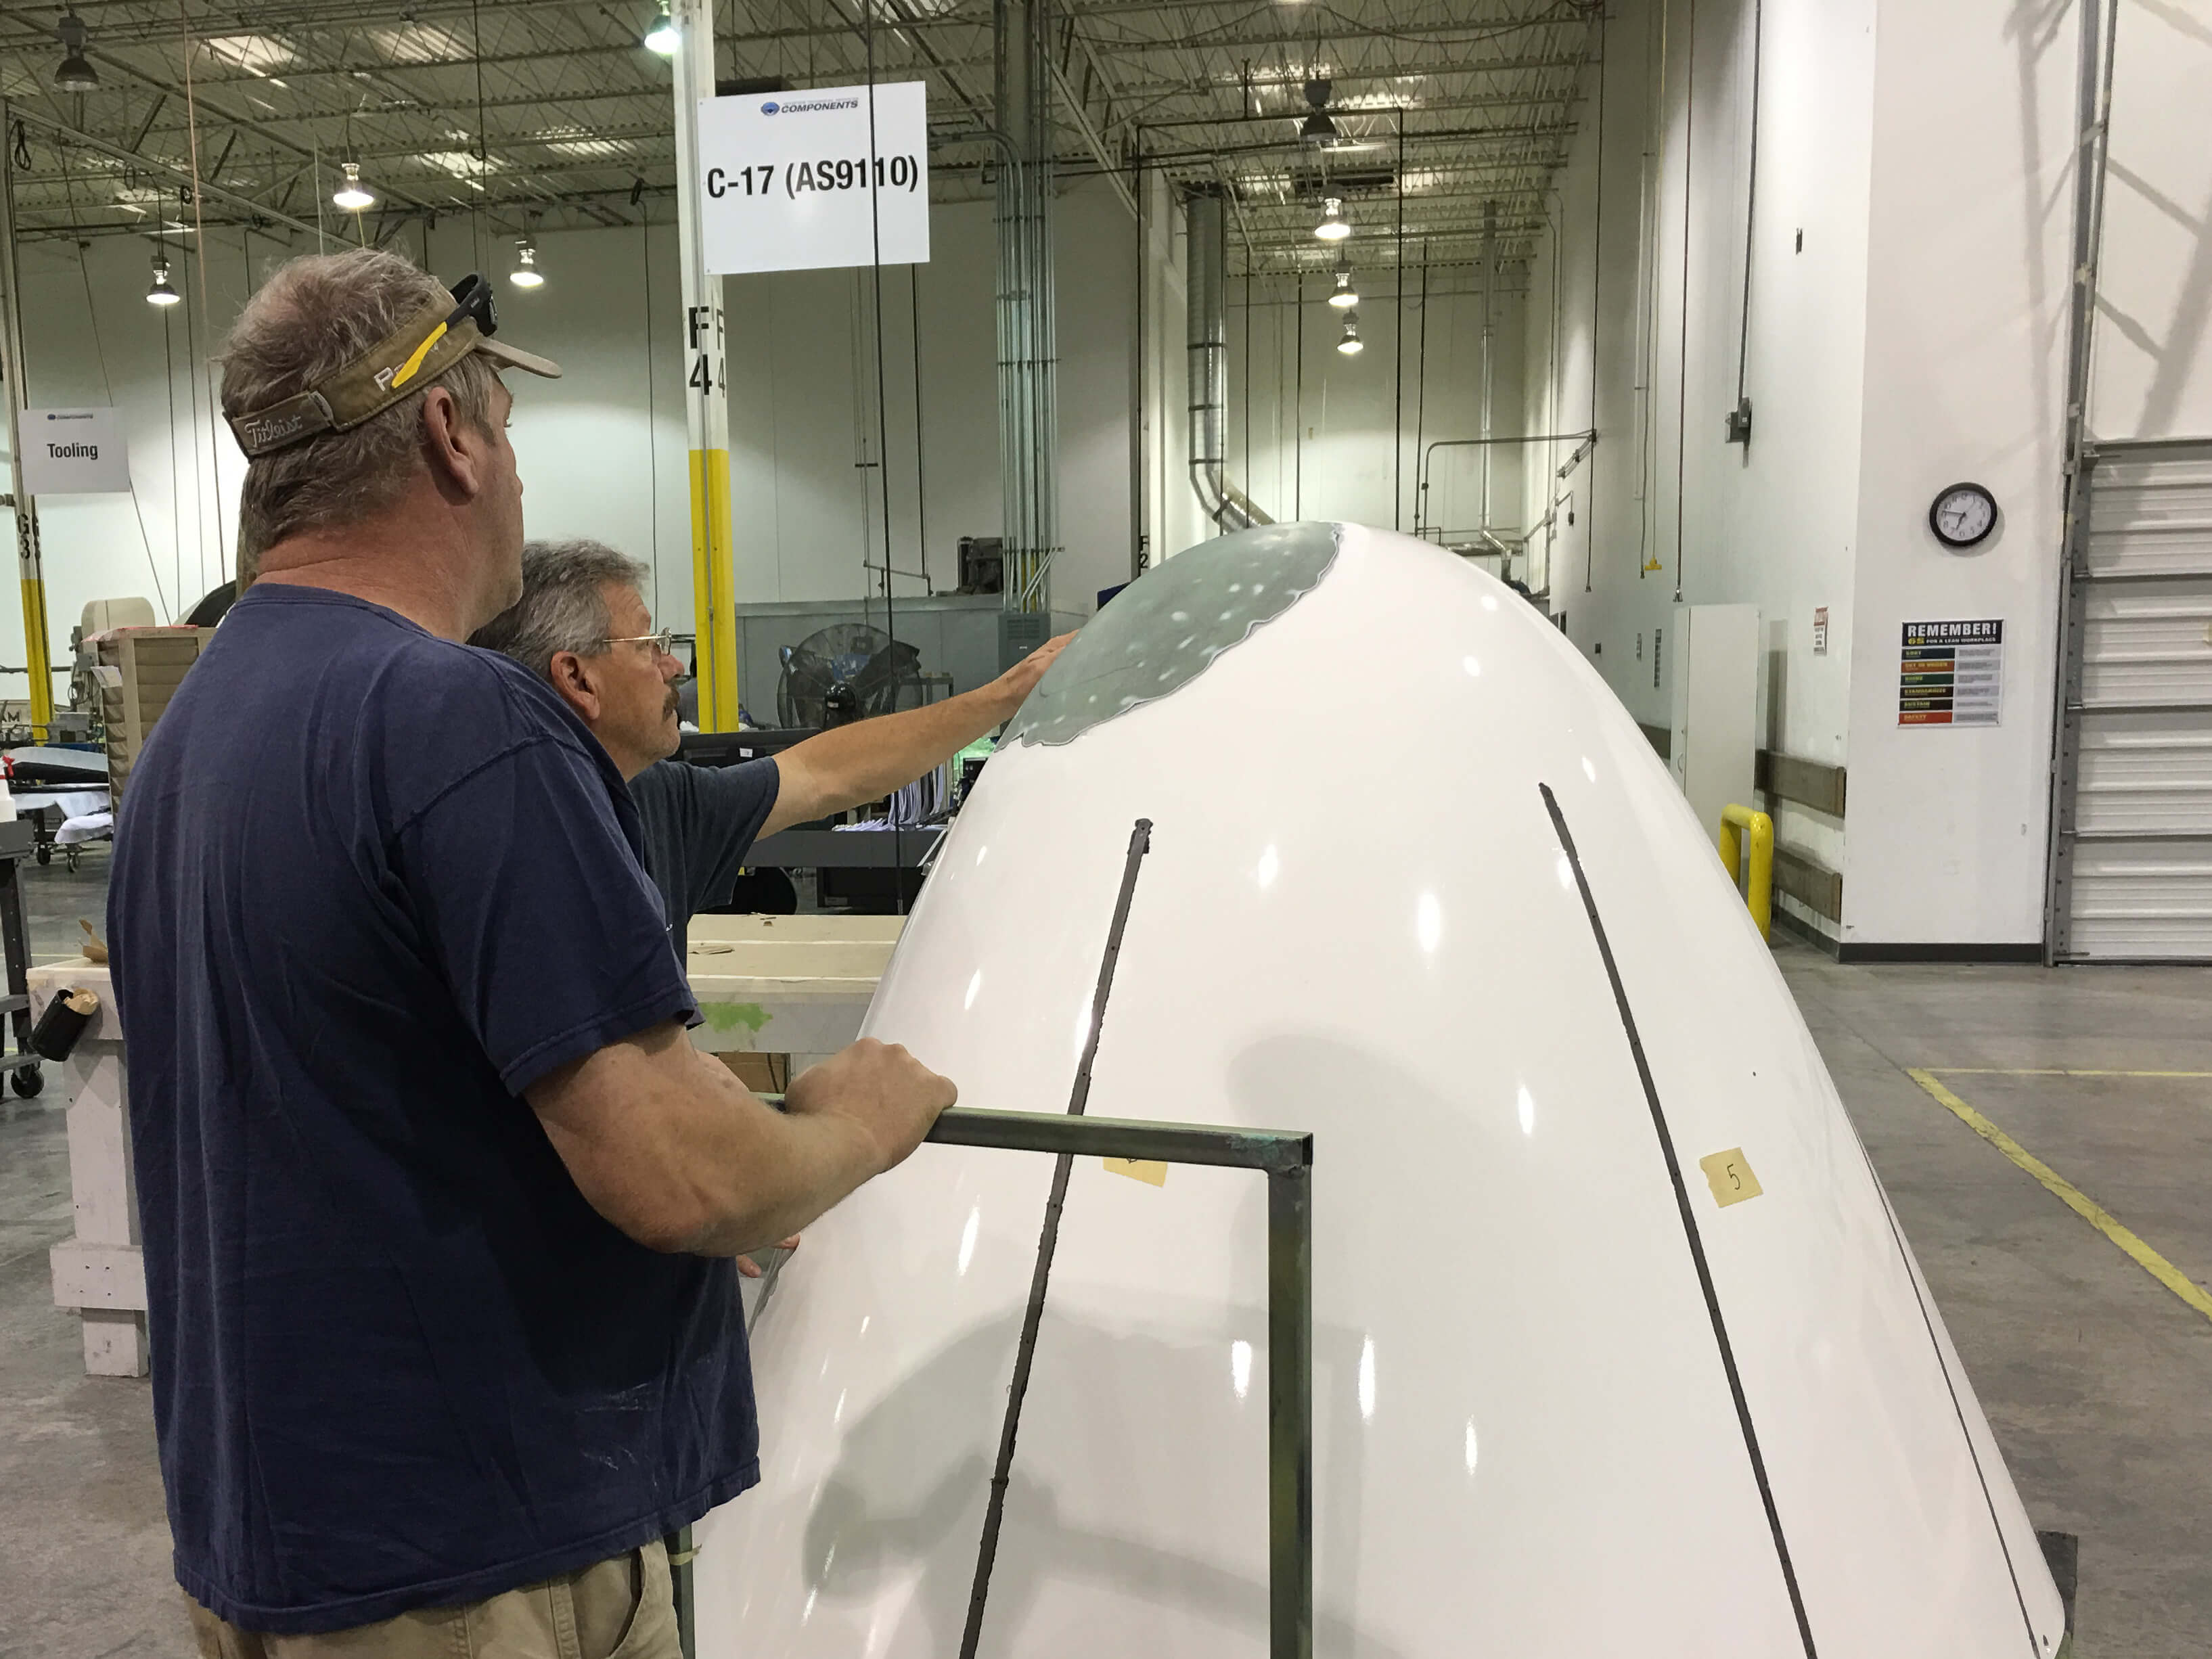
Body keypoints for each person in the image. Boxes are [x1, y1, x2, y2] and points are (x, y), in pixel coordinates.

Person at [106, 248, 956, 1657]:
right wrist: (846, 1125)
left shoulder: (198, 730)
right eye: (506, 432)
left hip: (270, 1536)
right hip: (469, 1562)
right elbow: (679, 1172)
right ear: (451, 433)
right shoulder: (464, 725)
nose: (513, 476)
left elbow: (363, 1101)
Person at [470, 539, 1070, 957]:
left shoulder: (658, 801)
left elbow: (824, 772)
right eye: (650, 645)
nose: (674, 666)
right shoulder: (510, 850)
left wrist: (1004, 694)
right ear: (578, 679)